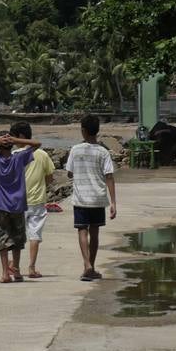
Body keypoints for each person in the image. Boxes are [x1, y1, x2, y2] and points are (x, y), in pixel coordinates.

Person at [0, 125, 43, 284]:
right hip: (18, 204)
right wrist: (15, 140)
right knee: (18, 239)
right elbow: (37, 144)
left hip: (1, 204)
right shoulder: (19, 159)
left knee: (3, 239)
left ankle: (5, 273)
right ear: (11, 145)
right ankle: (17, 271)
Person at [65, 114, 117, 281]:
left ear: (83, 131)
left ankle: (87, 265)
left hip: (81, 198)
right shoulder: (103, 152)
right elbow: (109, 176)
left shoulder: (75, 149)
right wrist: (113, 202)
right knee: (94, 233)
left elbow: (69, 173)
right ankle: (91, 267)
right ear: (97, 131)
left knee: (82, 230)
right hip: (97, 198)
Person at [10, 121, 55, 279]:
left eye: (13, 138)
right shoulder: (42, 154)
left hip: (18, 201)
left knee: (17, 236)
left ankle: (15, 266)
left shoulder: (14, 156)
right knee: (35, 235)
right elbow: (50, 178)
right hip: (37, 201)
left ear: (20, 138)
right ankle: (31, 267)